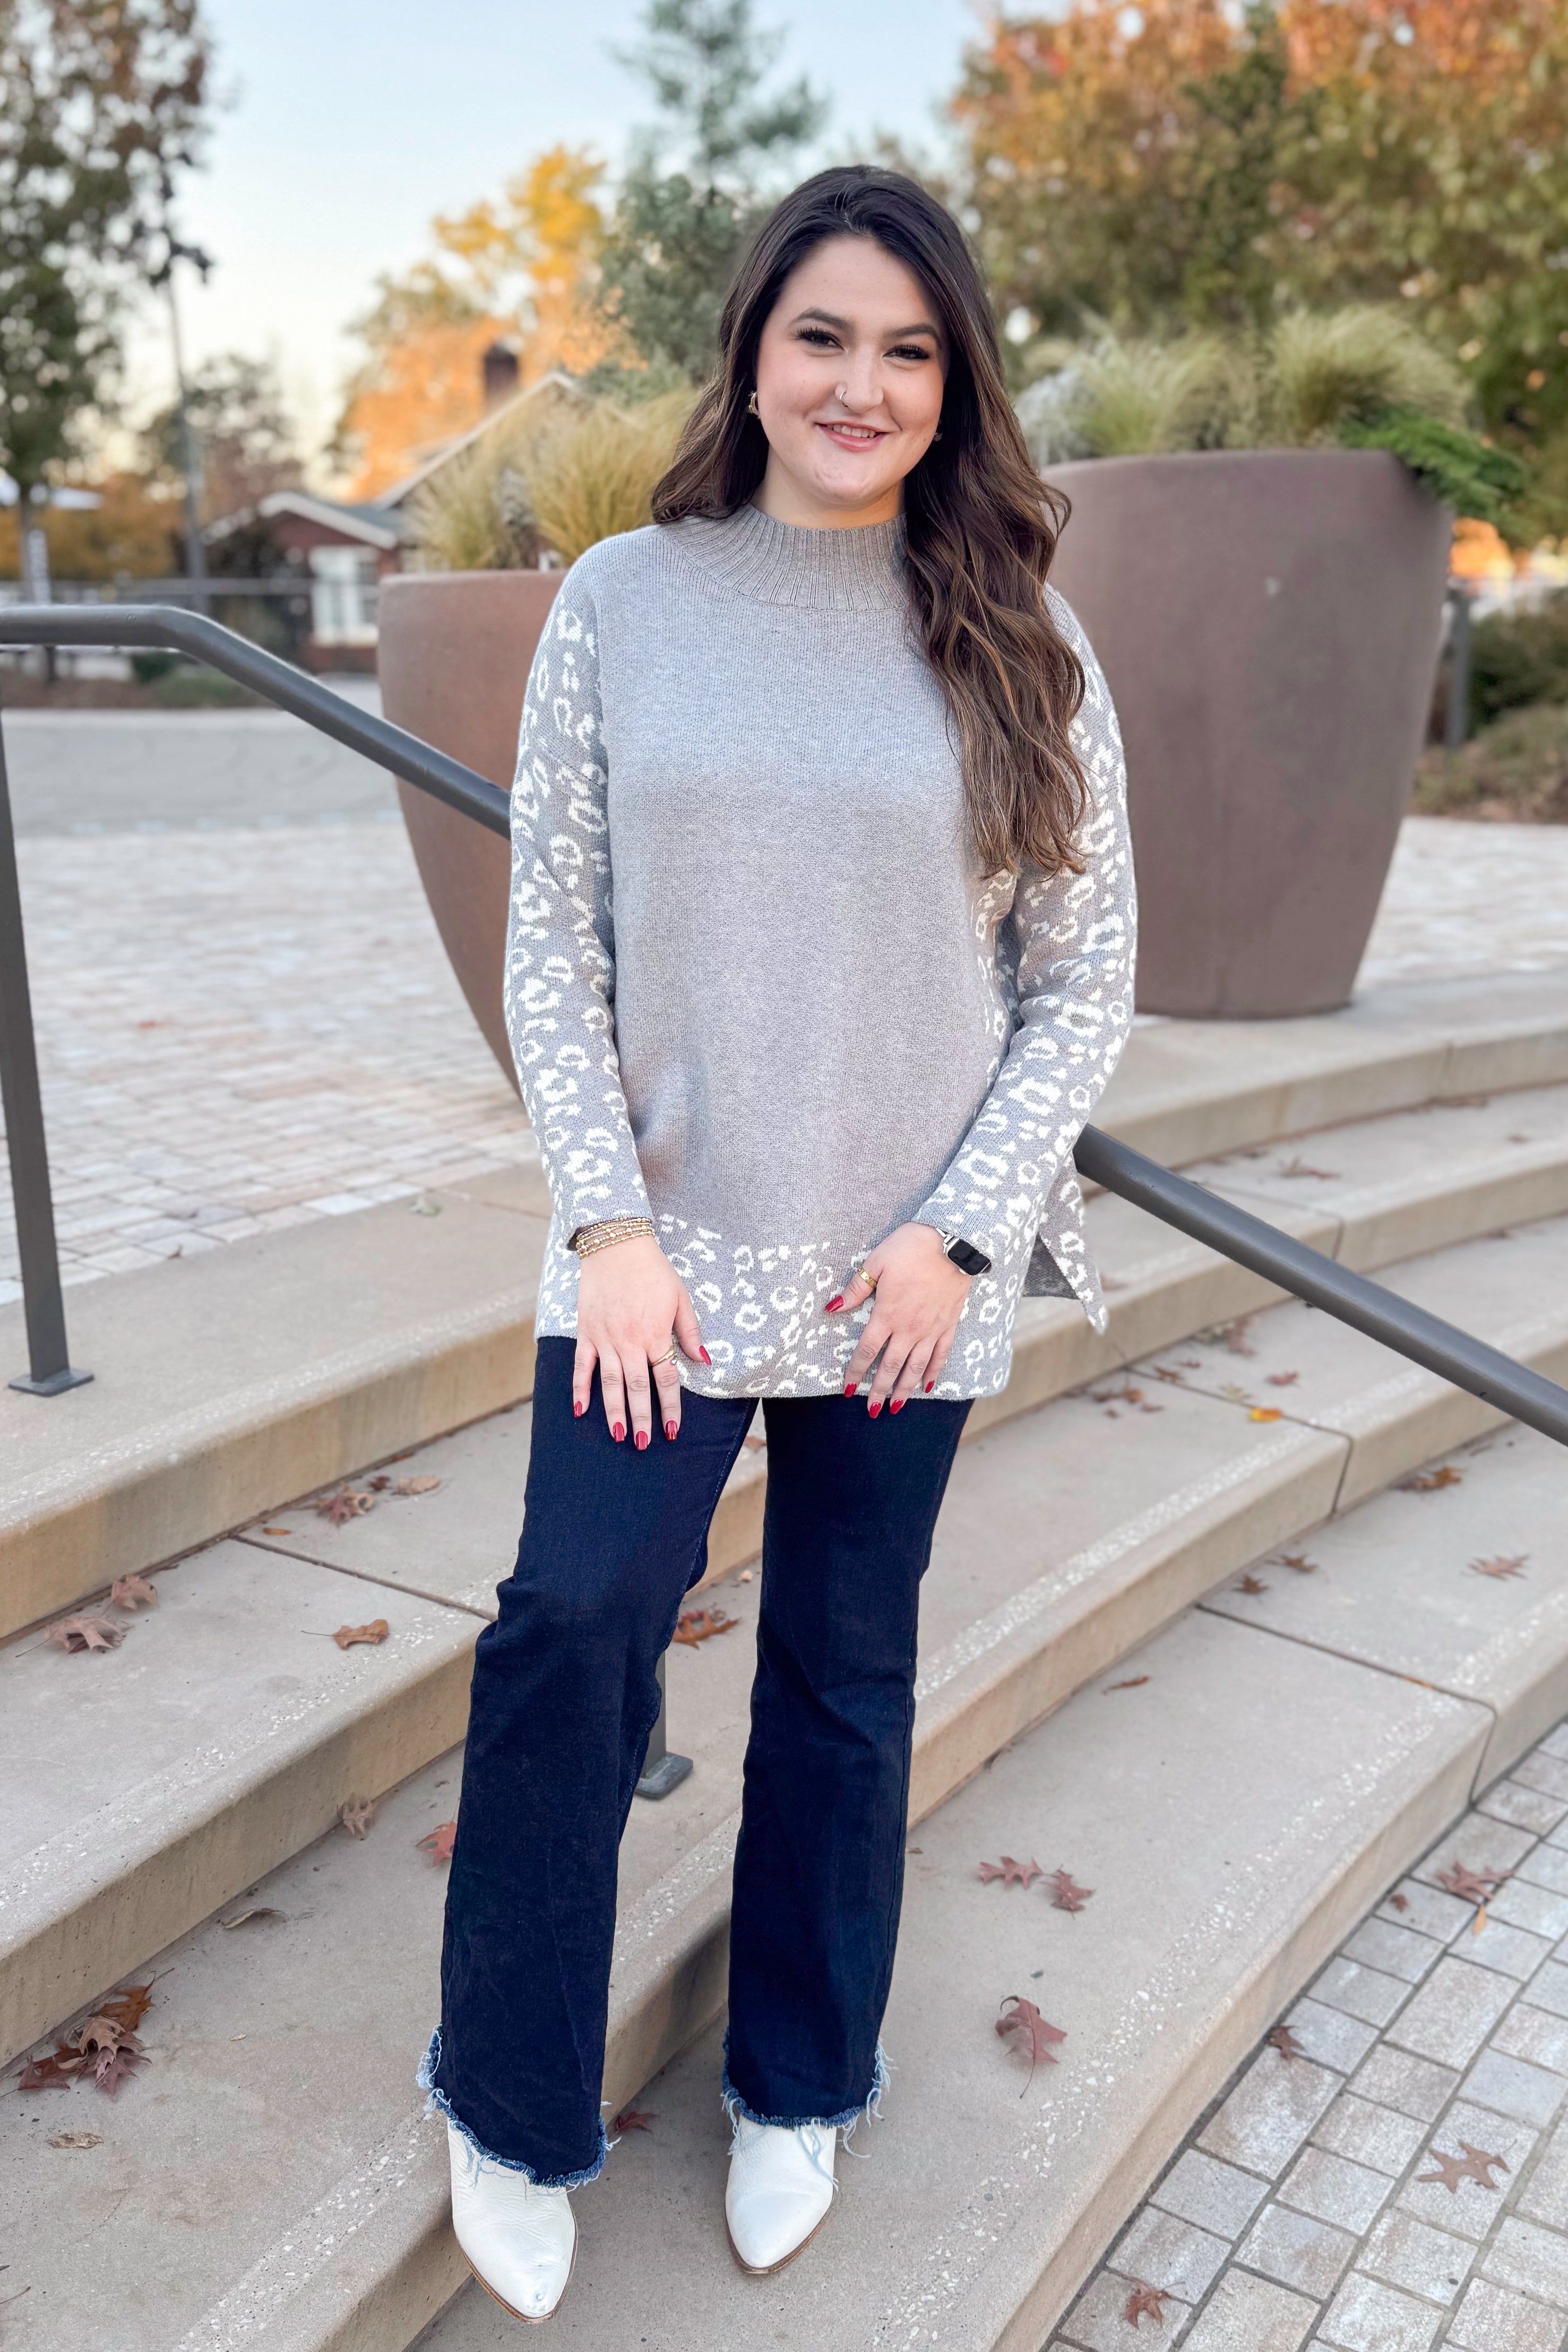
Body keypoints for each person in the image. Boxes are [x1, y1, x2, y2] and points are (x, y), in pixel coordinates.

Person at [419, 163, 1136, 2325]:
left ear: (955, 383)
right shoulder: (628, 600)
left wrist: (957, 1238)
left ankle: (799, 2077)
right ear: (752, 347)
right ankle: (508, 2090)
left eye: (910, 350)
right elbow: (551, 941)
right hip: (657, 1258)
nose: (862, 383)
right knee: (569, 1627)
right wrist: (607, 1225)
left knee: (843, 1680)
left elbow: (1078, 978)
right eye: (824, 335)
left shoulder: (1021, 628)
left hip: (899, 1271)